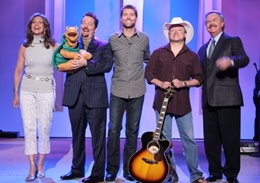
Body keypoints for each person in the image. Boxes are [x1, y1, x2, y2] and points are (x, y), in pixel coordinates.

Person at [145, 17, 207, 183]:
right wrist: (160, 83)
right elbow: (149, 74)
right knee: (165, 142)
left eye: (179, 29)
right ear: (169, 33)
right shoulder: (158, 52)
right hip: (161, 103)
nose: (176, 32)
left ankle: (195, 175)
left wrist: (183, 83)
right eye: (173, 29)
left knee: (189, 140)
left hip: (182, 104)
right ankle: (170, 174)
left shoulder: (192, 56)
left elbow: (199, 78)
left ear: (185, 33)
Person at [53, 12, 113, 183]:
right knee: (77, 135)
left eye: (90, 23)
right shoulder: (70, 45)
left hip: (96, 97)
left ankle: (97, 174)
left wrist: (87, 63)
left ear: (95, 28)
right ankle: (77, 169)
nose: (85, 26)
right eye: (83, 23)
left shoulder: (103, 45)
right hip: (75, 96)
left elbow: (107, 66)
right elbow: (59, 63)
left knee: (98, 137)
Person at [198, 11, 249, 183]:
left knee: (230, 139)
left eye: (214, 20)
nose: (210, 23)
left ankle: (231, 174)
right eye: (207, 22)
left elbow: (244, 59)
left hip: (228, 97)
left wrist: (231, 61)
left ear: (222, 24)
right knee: (211, 140)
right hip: (208, 100)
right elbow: (199, 74)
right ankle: (215, 172)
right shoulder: (203, 49)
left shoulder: (232, 40)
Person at [105, 4, 150, 182]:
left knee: (132, 131)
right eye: (125, 14)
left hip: (138, 91)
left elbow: (149, 59)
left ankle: (129, 170)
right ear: (121, 18)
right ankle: (111, 169)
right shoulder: (113, 39)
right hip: (118, 90)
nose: (128, 17)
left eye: (131, 14)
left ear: (136, 18)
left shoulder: (144, 39)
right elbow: (107, 62)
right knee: (114, 130)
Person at [13, 13, 57, 181]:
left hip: (46, 88)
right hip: (27, 89)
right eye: (34, 23)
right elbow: (18, 70)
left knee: (44, 127)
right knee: (29, 127)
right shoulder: (24, 46)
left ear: (45, 27)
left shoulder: (53, 45)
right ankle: (32, 165)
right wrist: (15, 93)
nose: (37, 25)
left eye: (40, 22)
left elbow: (64, 60)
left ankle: (41, 164)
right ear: (30, 27)